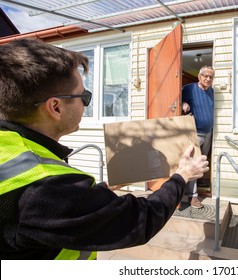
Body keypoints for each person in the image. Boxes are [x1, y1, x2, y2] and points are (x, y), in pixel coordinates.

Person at [0, 38, 209, 260]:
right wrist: (182, 175)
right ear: (55, 107)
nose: (86, 103)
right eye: (84, 96)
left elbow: (64, 210)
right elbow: (139, 219)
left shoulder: (13, 150)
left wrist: (100, 191)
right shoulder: (45, 187)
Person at [182, 65, 215, 209]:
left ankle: (196, 184)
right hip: (195, 132)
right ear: (199, 76)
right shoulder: (189, 88)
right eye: (205, 76)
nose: (208, 79)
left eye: (211, 77)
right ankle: (193, 197)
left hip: (208, 133)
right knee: (194, 163)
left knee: (202, 161)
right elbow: (175, 99)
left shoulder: (212, 92)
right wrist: (183, 103)